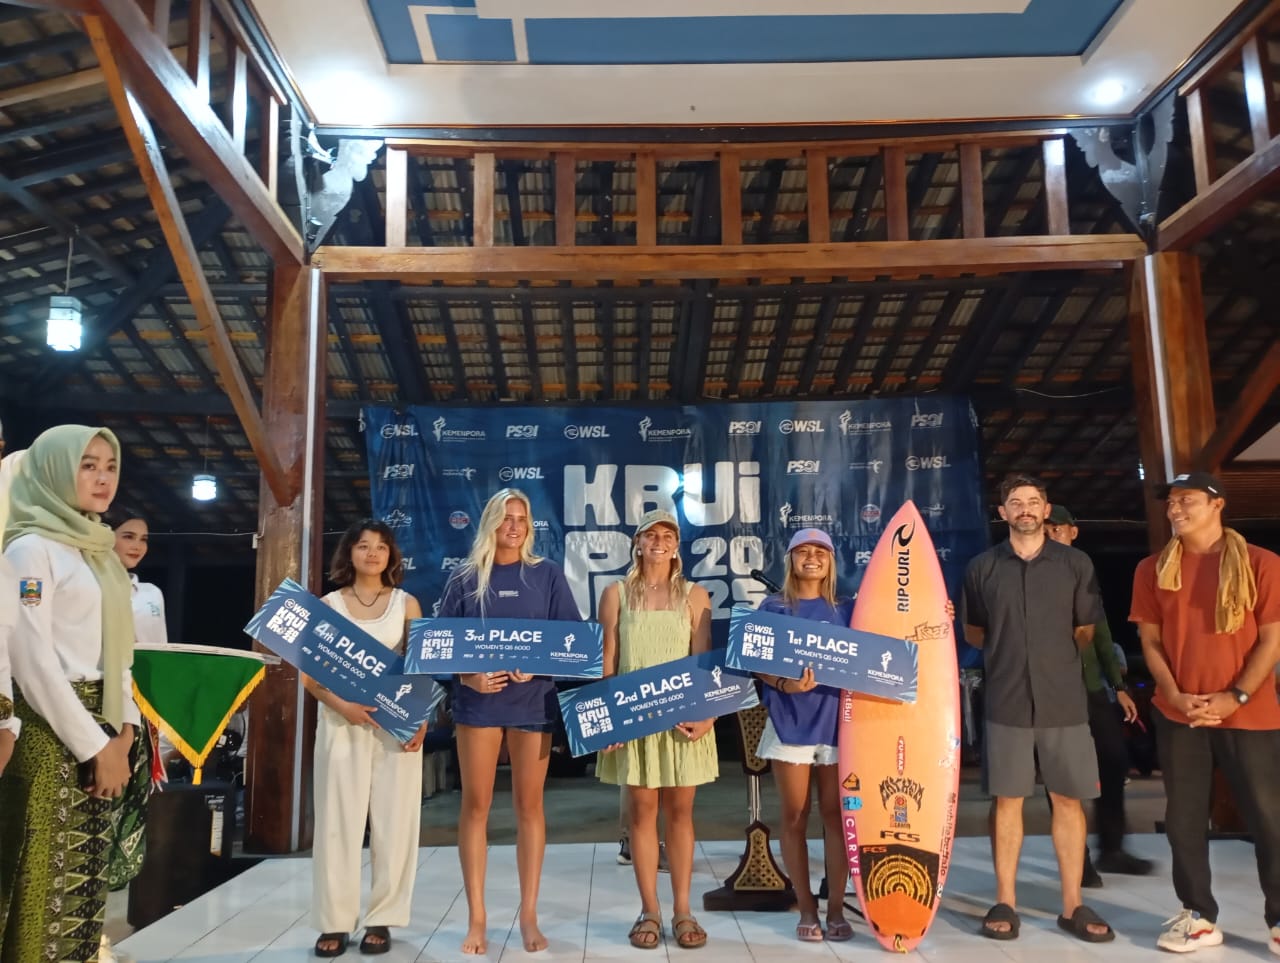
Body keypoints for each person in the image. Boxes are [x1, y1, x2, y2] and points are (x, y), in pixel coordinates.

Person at [0, 425, 150, 963]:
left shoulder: (98, 549)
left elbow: (119, 650)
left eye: (110, 466)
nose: (103, 478)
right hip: (51, 732)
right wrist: (94, 745)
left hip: (105, 726)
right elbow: (30, 659)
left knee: (84, 888)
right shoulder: (29, 549)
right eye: (87, 465)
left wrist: (126, 730)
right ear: (53, 471)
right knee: (41, 881)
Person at [1129, 471, 1280, 953]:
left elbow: (1272, 640)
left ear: (1217, 504)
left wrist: (1235, 696)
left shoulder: (1262, 563)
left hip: (1248, 711)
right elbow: (1151, 642)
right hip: (1181, 714)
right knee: (1184, 821)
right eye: (1171, 501)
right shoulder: (1152, 568)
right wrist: (1175, 696)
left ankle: (1278, 919)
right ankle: (1197, 916)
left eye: (1187, 500)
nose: (1175, 509)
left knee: (1269, 817)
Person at [962, 473, 1113, 943]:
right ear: (1002, 512)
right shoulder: (982, 568)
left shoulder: (1075, 564)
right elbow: (974, 631)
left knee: (1068, 799)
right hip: (1006, 698)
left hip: (1063, 698)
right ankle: (1004, 899)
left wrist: (1049, 659)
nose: (1024, 508)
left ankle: (1072, 904)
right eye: (1015, 502)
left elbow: (1084, 629)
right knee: (1007, 800)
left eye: (1033, 501)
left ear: (1046, 511)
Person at [438, 488, 582, 955]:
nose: (514, 526)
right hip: (478, 706)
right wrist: (468, 677)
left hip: (532, 705)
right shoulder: (465, 578)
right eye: (506, 518)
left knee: (530, 808)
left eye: (522, 518)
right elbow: (438, 647)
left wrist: (536, 666)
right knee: (476, 807)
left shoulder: (547, 574)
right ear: (491, 523)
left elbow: (573, 644)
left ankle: (529, 915)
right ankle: (477, 919)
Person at [303, 519, 427, 957]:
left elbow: (418, 670)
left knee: (395, 823)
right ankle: (334, 922)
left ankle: (383, 918)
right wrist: (345, 707)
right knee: (337, 824)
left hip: (395, 728)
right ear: (349, 553)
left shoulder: (407, 604)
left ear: (391, 555)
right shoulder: (328, 605)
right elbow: (310, 677)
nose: (372, 553)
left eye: (380, 547)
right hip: (341, 726)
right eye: (363, 546)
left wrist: (420, 720)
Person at [597, 509, 716, 951]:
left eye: (668, 535)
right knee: (642, 814)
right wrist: (611, 717)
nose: (659, 541)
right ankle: (649, 910)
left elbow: (704, 662)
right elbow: (608, 661)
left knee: (681, 814)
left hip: (683, 719)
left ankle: (683, 910)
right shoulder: (615, 594)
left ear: (677, 545)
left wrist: (707, 716)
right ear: (638, 543)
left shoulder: (695, 595)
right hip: (635, 720)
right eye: (651, 534)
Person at [751, 528, 854, 943]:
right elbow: (757, 662)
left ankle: (835, 909)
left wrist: (939, 615)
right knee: (795, 817)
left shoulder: (848, 608)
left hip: (836, 726)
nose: (812, 558)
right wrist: (785, 684)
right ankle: (806, 907)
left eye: (820, 552)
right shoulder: (773, 607)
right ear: (791, 559)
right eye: (803, 551)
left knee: (836, 817)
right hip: (789, 722)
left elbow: (892, 637)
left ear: (831, 561)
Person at [1045, 506, 1153, 882]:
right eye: (1046, 529)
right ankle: (1077, 861)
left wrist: (1119, 687)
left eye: (1057, 529)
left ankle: (1112, 849)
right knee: (1062, 774)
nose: (1051, 535)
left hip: (1091, 688)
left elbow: (1103, 634)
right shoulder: (1032, 571)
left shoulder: (1082, 571)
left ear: (1073, 532)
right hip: (1054, 691)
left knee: (1114, 761)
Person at [114, 515, 167, 646]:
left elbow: (162, 645)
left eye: (143, 539)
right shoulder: (90, 587)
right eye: (128, 537)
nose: (137, 547)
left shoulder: (152, 592)